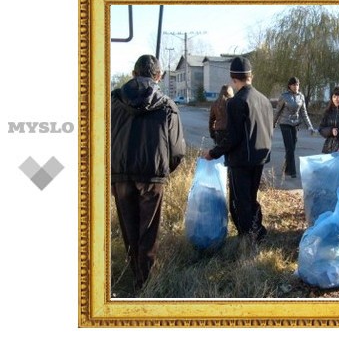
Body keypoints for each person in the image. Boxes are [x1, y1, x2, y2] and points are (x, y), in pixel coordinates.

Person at [111, 54, 186, 291]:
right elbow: (177, 151)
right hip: (152, 177)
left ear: (134, 74)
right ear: (159, 76)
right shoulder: (166, 105)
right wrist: (163, 171)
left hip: (120, 174)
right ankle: (145, 282)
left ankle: (135, 272)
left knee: (129, 226)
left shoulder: (112, 101)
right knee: (148, 229)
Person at [202, 56, 274, 242]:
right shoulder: (265, 100)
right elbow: (268, 130)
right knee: (250, 197)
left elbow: (232, 137)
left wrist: (213, 153)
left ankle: (248, 238)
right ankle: (258, 231)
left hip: (241, 161)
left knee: (239, 202)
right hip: (259, 157)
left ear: (234, 79)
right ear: (251, 76)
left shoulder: (236, 103)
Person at [273, 76, 315, 178]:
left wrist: (310, 126)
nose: (296, 86)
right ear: (289, 86)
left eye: (297, 84)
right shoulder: (284, 96)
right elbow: (278, 110)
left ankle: (286, 168)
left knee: (292, 148)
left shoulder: (301, 96)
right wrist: (272, 123)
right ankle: (292, 172)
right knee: (290, 148)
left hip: (295, 124)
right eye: (293, 84)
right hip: (285, 123)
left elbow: (304, 112)